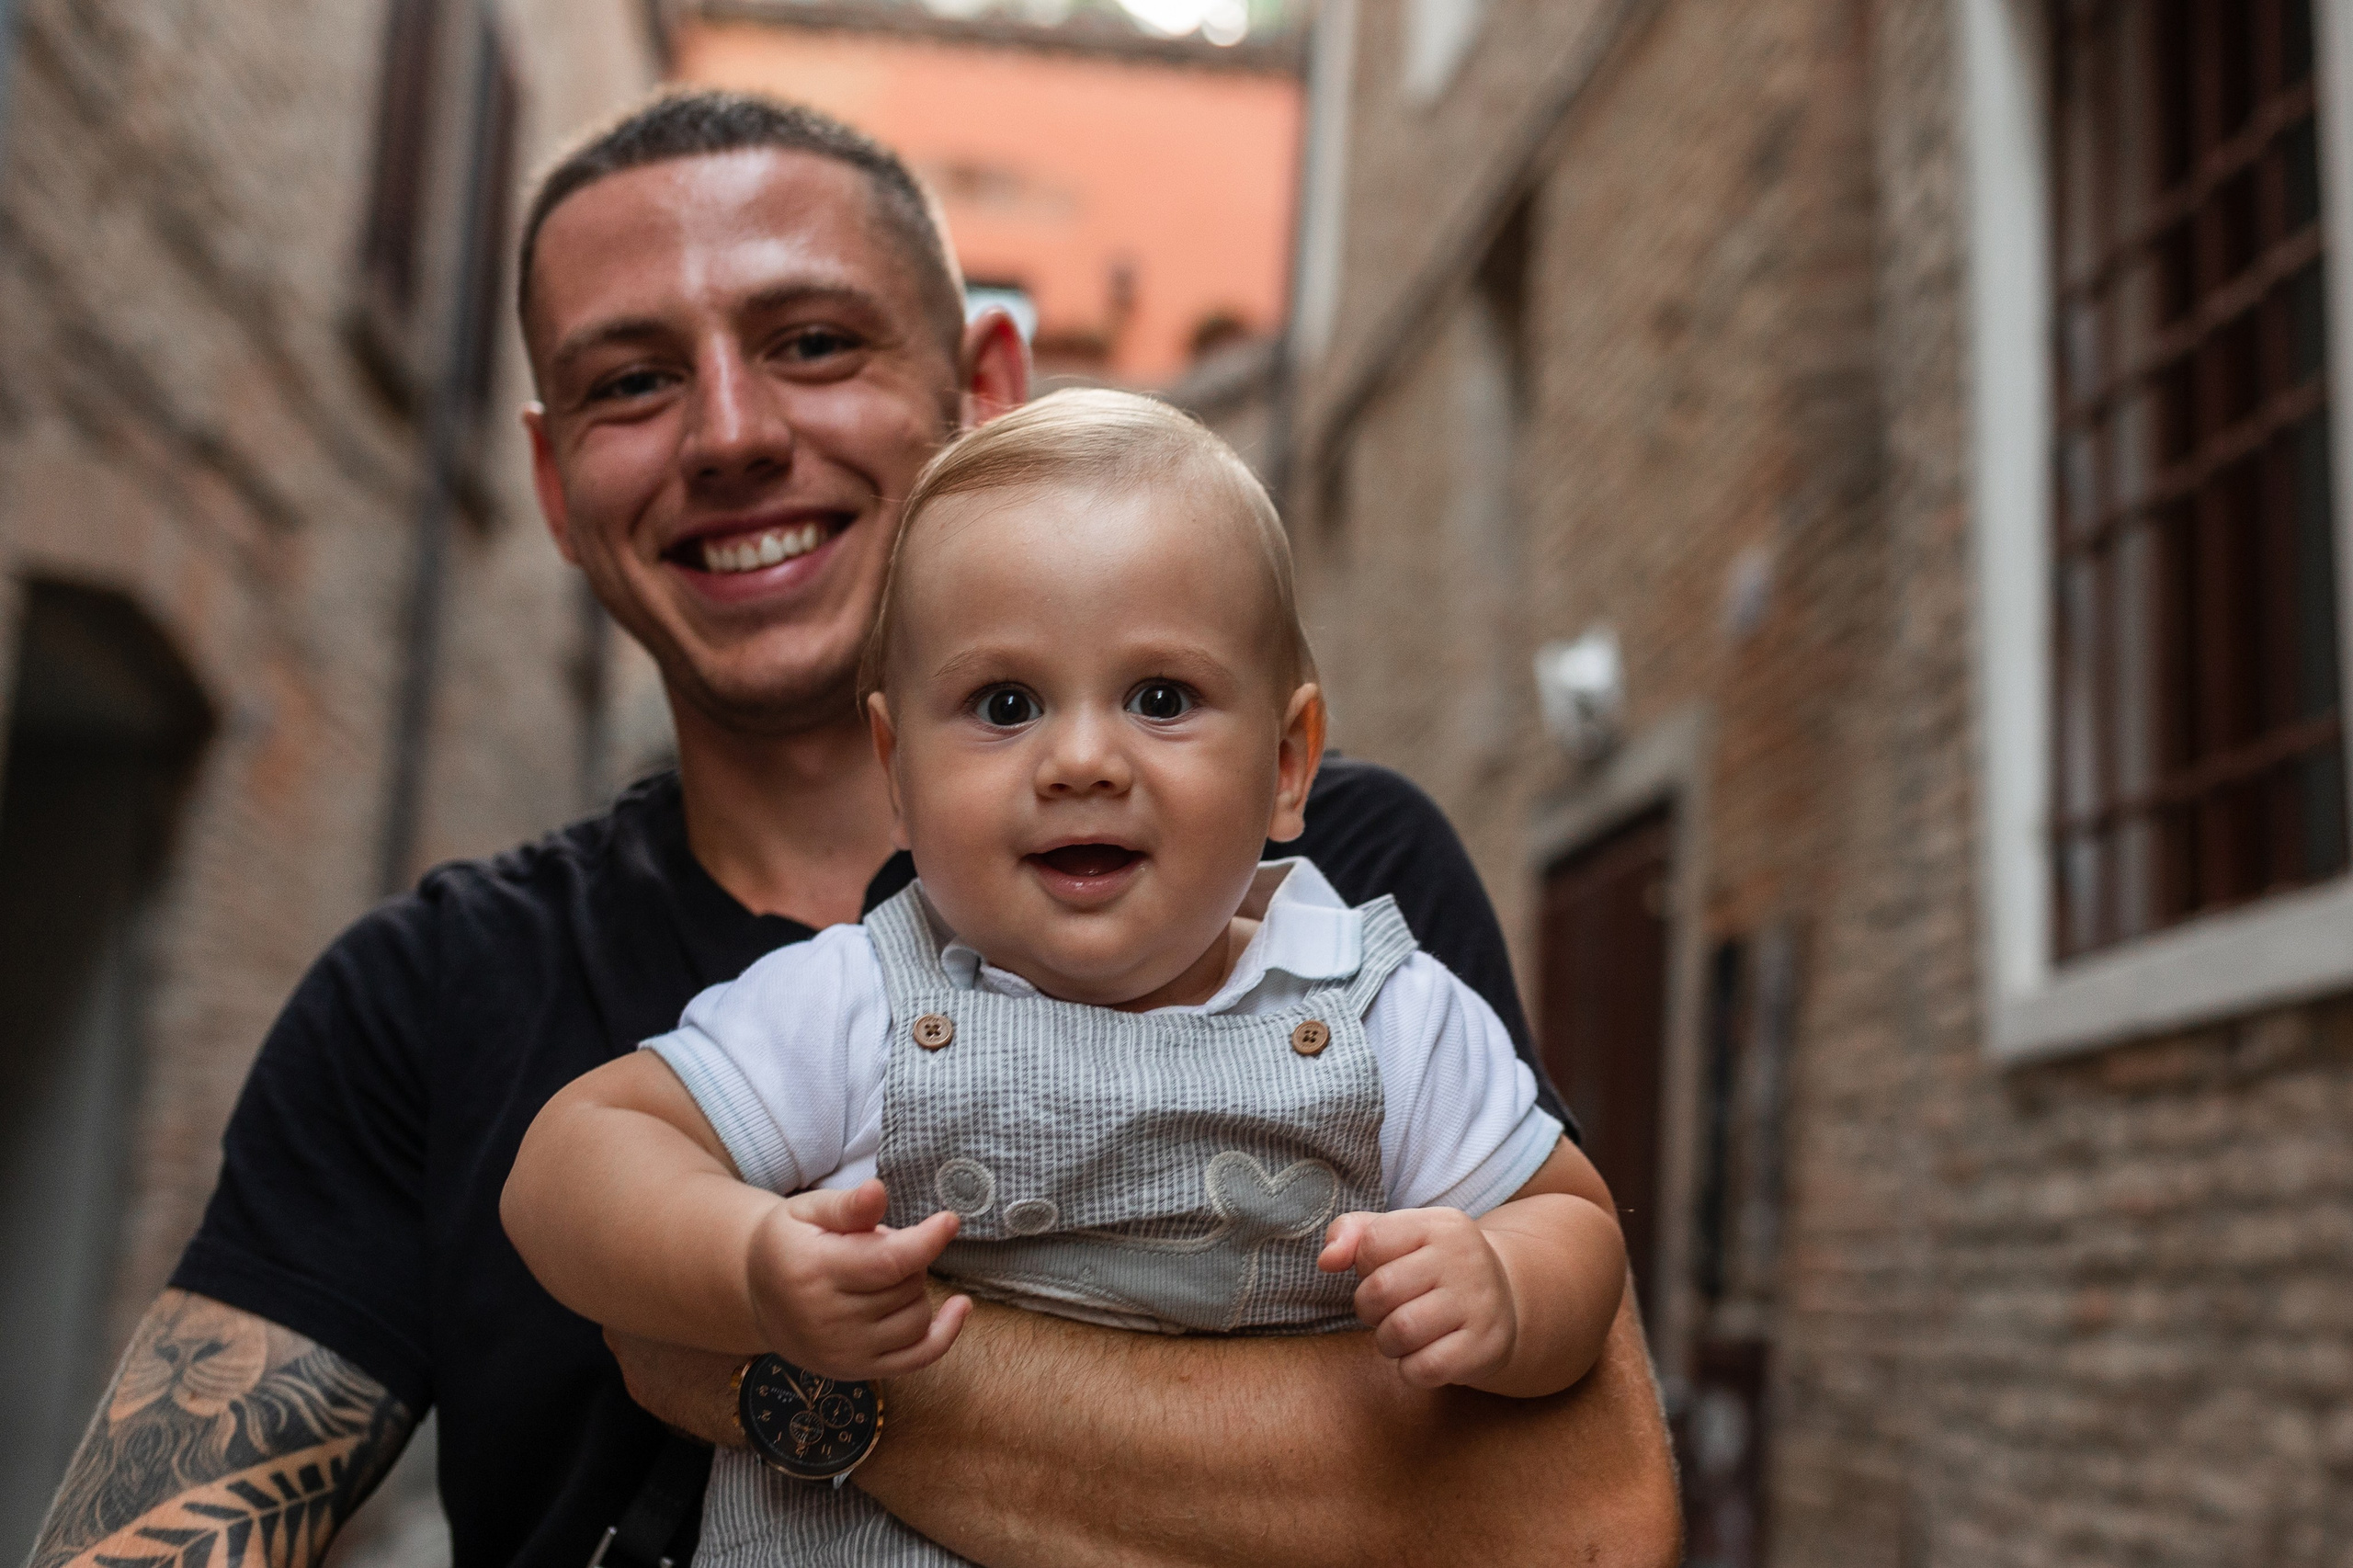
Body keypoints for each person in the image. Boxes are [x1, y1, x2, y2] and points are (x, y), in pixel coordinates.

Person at [28, 91, 1679, 1568]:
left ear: (988, 394)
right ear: (551, 483)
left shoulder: (1344, 906)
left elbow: (1584, 1517)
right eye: (630, 380)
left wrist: (757, 1375)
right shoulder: (444, 996)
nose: (733, 433)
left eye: (814, 341)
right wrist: (748, 1265)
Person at [501, 390, 1631, 1566]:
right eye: (1004, 705)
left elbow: (1571, 1220)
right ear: (897, 771)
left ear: (1289, 764)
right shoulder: (859, 1003)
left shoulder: (1381, 1011)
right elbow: (569, 1161)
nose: (1082, 760)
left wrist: (1503, 1287)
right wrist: (743, 1258)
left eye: (1160, 698)